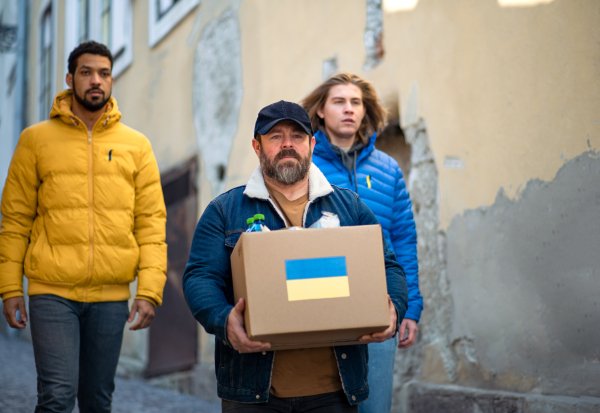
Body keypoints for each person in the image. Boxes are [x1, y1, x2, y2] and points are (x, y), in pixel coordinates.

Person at [182, 100, 408, 412]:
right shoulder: (224, 210)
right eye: (275, 137)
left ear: (312, 144)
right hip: (254, 391)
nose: (288, 144)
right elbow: (200, 277)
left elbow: (388, 264)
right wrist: (223, 320)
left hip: (335, 392)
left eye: (298, 136)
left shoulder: (350, 207)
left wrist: (393, 308)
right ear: (257, 147)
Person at [0, 41, 167, 412]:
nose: (96, 81)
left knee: (97, 400)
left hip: (110, 297)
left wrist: (149, 290)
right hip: (51, 293)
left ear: (111, 79)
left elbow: (152, 223)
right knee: (57, 397)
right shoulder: (35, 140)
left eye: (104, 73)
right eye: (87, 72)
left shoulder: (136, 145)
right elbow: (15, 220)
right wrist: (11, 287)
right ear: (69, 79)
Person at [301, 73, 423, 413]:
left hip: (377, 307)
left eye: (356, 102)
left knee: (374, 408)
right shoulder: (304, 165)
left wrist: (410, 306)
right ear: (321, 111)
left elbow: (403, 240)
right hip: (318, 302)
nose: (349, 109)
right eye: (338, 101)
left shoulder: (389, 169)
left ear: (365, 111)